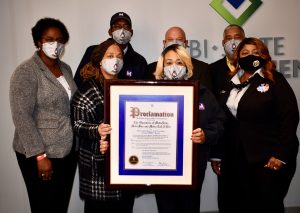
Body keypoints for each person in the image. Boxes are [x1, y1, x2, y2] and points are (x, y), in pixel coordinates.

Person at [210, 37, 299, 213]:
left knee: (265, 205)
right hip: (234, 158)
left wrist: (280, 155)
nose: (249, 56)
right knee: (234, 204)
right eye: (244, 53)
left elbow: (290, 117)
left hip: (266, 159)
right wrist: (217, 155)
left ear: (263, 55)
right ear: (237, 57)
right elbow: (222, 121)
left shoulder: (274, 80)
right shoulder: (230, 83)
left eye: (255, 52)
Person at [9, 17, 77, 213]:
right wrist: (40, 156)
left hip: (66, 151)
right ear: (38, 42)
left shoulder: (66, 69)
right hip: (41, 153)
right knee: (44, 207)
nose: (55, 44)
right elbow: (21, 116)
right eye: (49, 39)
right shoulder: (26, 71)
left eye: (60, 40)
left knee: (59, 206)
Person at [152, 44, 225, 213]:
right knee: (166, 208)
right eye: (168, 63)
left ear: (187, 66)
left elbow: (219, 122)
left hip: (193, 165)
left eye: (179, 62)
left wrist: (205, 134)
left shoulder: (203, 93)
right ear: (161, 67)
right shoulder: (151, 93)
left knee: (190, 207)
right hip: (161, 165)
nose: (174, 67)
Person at [72, 38, 135, 213]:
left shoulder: (128, 87)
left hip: (125, 166)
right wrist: (96, 130)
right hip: (97, 169)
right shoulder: (86, 91)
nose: (115, 60)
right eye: (110, 55)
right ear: (100, 60)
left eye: (119, 56)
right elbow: (77, 125)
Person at [74, 12, 147, 87]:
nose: (122, 31)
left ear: (131, 32)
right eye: (117, 26)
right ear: (110, 31)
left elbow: (143, 92)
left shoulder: (140, 61)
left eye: (126, 27)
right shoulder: (93, 52)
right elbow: (78, 83)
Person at [148, 26, 212, 89]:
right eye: (170, 40)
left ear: (186, 43)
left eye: (179, 39)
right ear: (164, 43)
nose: (174, 43)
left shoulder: (202, 68)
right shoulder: (151, 69)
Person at [209, 24, 245, 97]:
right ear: (223, 43)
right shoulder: (212, 69)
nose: (233, 42)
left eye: (237, 37)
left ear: (245, 40)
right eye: (228, 38)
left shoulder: (254, 67)